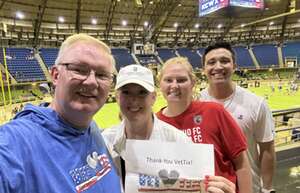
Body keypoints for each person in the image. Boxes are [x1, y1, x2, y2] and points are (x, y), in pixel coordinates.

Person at [0, 34, 122, 193]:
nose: (92, 81)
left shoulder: (91, 127)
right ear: (56, 75)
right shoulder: (15, 143)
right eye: (79, 69)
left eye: (102, 75)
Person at [103, 64, 236, 193]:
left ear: (153, 98)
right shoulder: (105, 142)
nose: (134, 100)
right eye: (126, 92)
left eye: (142, 92)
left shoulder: (178, 140)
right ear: (117, 97)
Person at [156, 57, 252, 193]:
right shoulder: (154, 124)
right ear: (160, 83)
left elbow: (241, 163)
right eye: (168, 80)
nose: (174, 85)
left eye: (181, 80)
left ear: (193, 83)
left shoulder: (214, 111)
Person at [199, 42, 276, 193]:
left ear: (234, 66)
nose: (218, 67)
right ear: (204, 69)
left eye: (225, 61)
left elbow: (267, 149)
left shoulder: (257, 104)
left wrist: (267, 189)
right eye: (211, 62)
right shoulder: (195, 103)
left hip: (248, 187)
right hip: (209, 188)